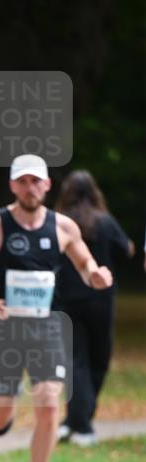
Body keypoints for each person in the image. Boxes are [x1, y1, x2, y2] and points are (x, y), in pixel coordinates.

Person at [0, 154, 113, 462]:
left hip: (47, 326)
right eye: (23, 181)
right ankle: (4, 416)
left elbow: (86, 263)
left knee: (47, 402)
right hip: (3, 330)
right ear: (13, 186)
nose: (30, 188)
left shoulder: (63, 227)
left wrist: (96, 276)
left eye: (36, 181)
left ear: (47, 185)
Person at [54, 170, 135, 446]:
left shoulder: (60, 223)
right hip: (100, 301)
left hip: (67, 300)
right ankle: (83, 425)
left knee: (76, 360)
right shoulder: (105, 222)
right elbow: (126, 251)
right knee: (98, 359)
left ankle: (71, 422)